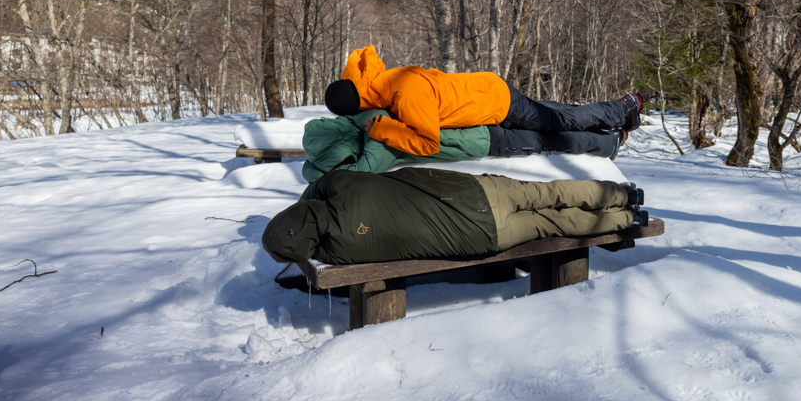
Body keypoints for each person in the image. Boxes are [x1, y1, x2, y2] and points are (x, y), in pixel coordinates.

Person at [262, 167, 647, 265]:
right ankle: (623, 193)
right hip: (474, 192)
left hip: (482, 238)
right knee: (549, 193)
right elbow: (318, 188)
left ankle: (626, 221)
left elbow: (314, 253)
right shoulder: (340, 184)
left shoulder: (341, 252)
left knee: (551, 223)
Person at [323, 44, 642, 157]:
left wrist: (383, 130)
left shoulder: (405, 95)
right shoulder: (388, 79)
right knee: (558, 117)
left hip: (495, 103)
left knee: (560, 122)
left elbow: (428, 143)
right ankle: (614, 135)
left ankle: (622, 110)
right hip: (486, 91)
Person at [300, 109, 627, 182]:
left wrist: (316, 170)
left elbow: (359, 174)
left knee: (550, 140)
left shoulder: (379, 139)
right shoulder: (367, 114)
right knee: (553, 118)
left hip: (480, 138)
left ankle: (607, 143)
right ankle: (607, 128)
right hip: (476, 114)